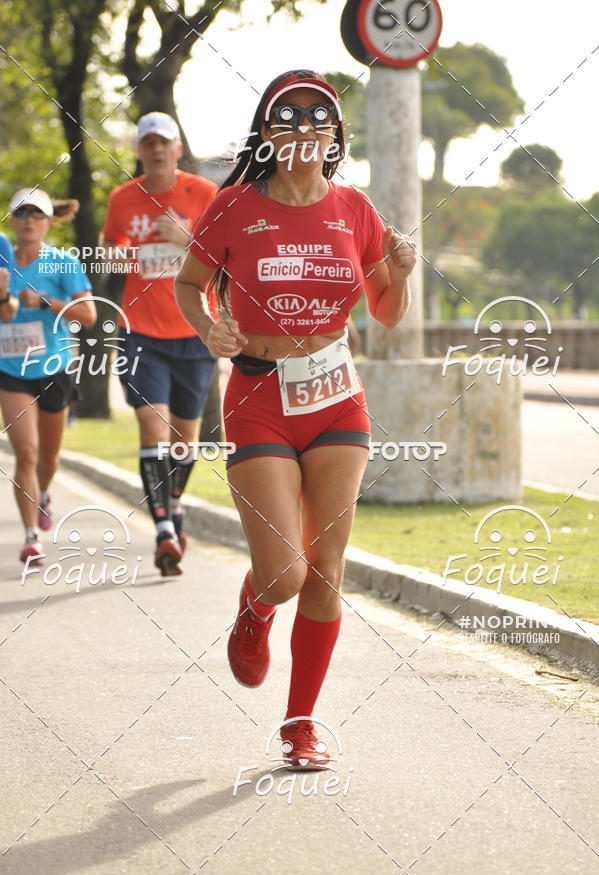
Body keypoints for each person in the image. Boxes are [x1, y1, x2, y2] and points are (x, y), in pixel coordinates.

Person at [175, 70, 417, 766]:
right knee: (284, 573)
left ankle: (300, 725)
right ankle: (256, 609)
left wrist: (399, 274)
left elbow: (387, 314)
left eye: (320, 118)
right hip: (258, 397)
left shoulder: (355, 210)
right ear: (268, 132)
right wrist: (210, 326)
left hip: (337, 396)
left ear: (336, 135)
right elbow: (190, 285)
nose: (304, 128)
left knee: (327, 569)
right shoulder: (232, 206)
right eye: (288, 117)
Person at [102, 111, 218, 577]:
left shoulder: (205, 194)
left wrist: (187, 237)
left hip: (195, 330)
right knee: (154, 430)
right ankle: (165, 531)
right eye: (147, 143)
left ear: (177, 149)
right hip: (140, 331)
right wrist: (119, 252)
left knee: (184, 441)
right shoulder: (123, 198)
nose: (155, 150)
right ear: (139, 151)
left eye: (163, 142)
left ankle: (174, 502)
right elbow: (111, 247)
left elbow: (224, 253)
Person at [0, 188, 95, 562]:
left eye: (36, 215)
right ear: (12, 221)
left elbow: (88, 315)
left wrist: (41, 301)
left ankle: (43, 494)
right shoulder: (2, 262)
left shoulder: (62, 263)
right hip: (10, 368)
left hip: (53, 367)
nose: (29, 221)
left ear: (47, 221)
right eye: (21, 214)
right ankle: (29, 537)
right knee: (25, 451)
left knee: (48, 459)